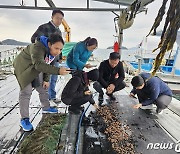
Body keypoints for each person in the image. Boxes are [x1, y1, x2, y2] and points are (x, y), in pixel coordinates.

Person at [13, 34, 69, 131]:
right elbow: (39, 65)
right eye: (56, 48)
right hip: (23, 67)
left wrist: (46, 80)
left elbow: (48, 64)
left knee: (43, 87)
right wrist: (58, 71)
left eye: (60, 49)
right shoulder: (37, 47)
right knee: (26, 92)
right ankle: (24, 119)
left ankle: (46, 107)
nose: (58, 52)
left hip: (36, 67)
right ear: (49, 44)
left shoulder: (52, 52)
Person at [31, 9, 64, 103]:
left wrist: (60, 57)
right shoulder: (44, 27)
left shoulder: (59, 31)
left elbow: (60, 46)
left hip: (55, 59)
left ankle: (52, 97)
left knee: (54, 78)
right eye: (57, 18)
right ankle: (46, 101)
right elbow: (33, 39)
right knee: (45, 80)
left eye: (61, 19)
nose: (59, 21)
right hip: (45, 59)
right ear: (52, 17)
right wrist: (45, 46)